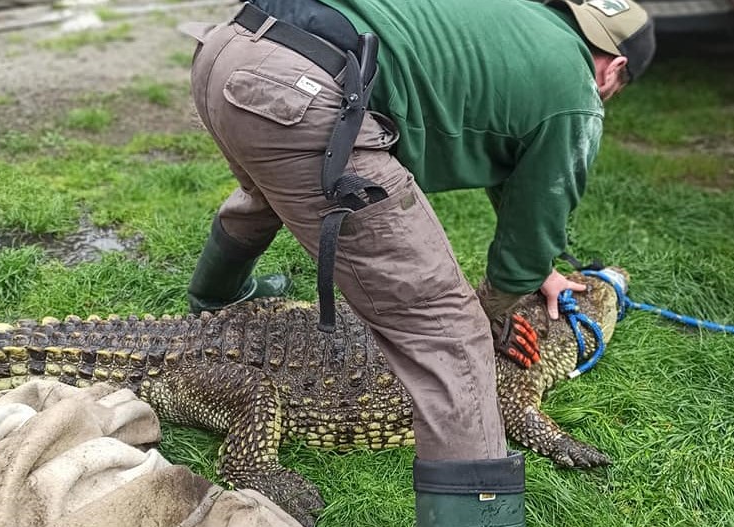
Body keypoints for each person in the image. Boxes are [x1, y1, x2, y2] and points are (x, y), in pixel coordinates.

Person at [181, 0, 654, 524]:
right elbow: (547, 194)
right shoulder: (577, 95)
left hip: (229, 49)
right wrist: (493, 311)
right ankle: (477, 518)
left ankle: (214, 299)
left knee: (268, 190)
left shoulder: (523, 22)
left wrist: (536, 266)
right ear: (615, 68)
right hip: (301, 94)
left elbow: (520, 175)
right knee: (448, 329)